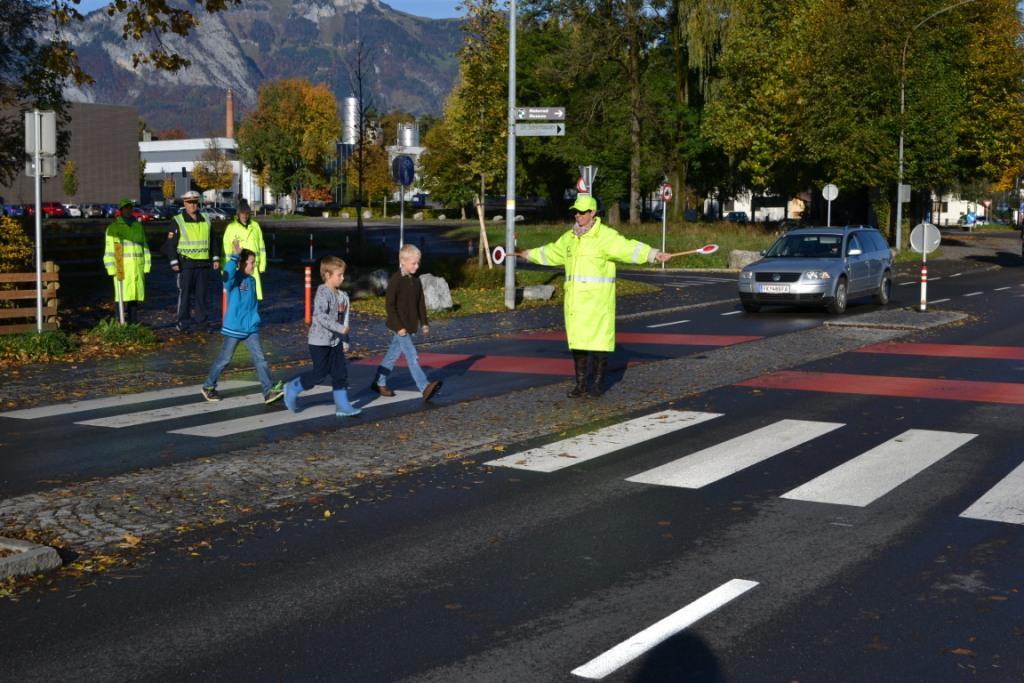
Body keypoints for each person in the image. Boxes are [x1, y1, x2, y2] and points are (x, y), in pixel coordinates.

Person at [515, 194, 672, 398]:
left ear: (593, 213)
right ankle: (581, 385)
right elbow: (551, 252)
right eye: (575, 212)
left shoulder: (605, 236)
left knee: (598, 344)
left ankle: (597, 385)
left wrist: (653, 254)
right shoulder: (569, 238)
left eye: (582, 212)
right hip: (575, 303)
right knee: (578, 343)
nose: (578, 215)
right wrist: (529, 254)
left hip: (598, 303)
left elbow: (628, 248)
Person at [201, 240, 284, 404]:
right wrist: (234, 257)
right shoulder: (234, 279)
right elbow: (227, 275)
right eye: (251, 262)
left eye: (254, 262)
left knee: (260, 359)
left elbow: (251, 305)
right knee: (224, 359)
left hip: (250, 328)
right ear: (242, 263)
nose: (254, 265)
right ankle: (208, 386)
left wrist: (255, 321)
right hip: (234, 328)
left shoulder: (252, 280)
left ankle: (268, 391)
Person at [283, 255, 361, 417]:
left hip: (336, 342)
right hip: (319, 342)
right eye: (339, 275)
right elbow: (320, 316)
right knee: (319, 374)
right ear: (327, 275)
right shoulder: (322, 292)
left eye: (343, 274)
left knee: (340, 373)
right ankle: (293, 387)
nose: (343, 278)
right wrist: (340, 328)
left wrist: (345, 341)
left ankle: (342, 406)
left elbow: (345, 320)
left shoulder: (343, 296)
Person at [369, 244, 442, 401]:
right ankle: (424, 387)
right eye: (413, 263)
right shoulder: (396, 280)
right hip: (399, 326)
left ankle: (378, 381)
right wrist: (398, 326)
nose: (417, 266)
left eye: (418, 263)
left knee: (392, 355)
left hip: (410, 325)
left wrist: (424, 323)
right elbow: (390, 305)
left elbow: (420, 303)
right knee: (412, 355)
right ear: (402, 262)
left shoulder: (416, 280)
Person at [162, 189, 219, 331]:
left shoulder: (206, 219)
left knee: (201, 296)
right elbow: (171, 244)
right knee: (185, 295)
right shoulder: (178, 220)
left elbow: (213, 240)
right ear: (184, 203)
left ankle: (202, 323)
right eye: (189, 202)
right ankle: (183, 323)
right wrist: (174, 261)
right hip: (185, 264)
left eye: (195, 202)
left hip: (203, 264)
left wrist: (215, 258)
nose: (193, 205)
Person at [102, 198, 150, 324]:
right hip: (121, 267)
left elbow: (145, 247)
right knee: (121, 296)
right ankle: (120, 323)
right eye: (126, 208)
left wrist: (146, 266)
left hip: (136, 267)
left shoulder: (138, 226)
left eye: (130, 208)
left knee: (134, 296)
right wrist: (111, 269)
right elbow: (109, 251)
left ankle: (133, 323)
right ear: (121, 210)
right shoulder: (113, 228)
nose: (128, 210)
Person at [222, 198, 267, 300]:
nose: (245, 216)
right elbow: (226, 249)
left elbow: (261, 246)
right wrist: (226, 268)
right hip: (238, 268)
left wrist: (262, 265)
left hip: (253, 266)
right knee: (241, 295)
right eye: (242, 213)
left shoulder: (255, 226)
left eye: (247, 213)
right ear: (238, 214)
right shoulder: (231, 228)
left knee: (253, 295)